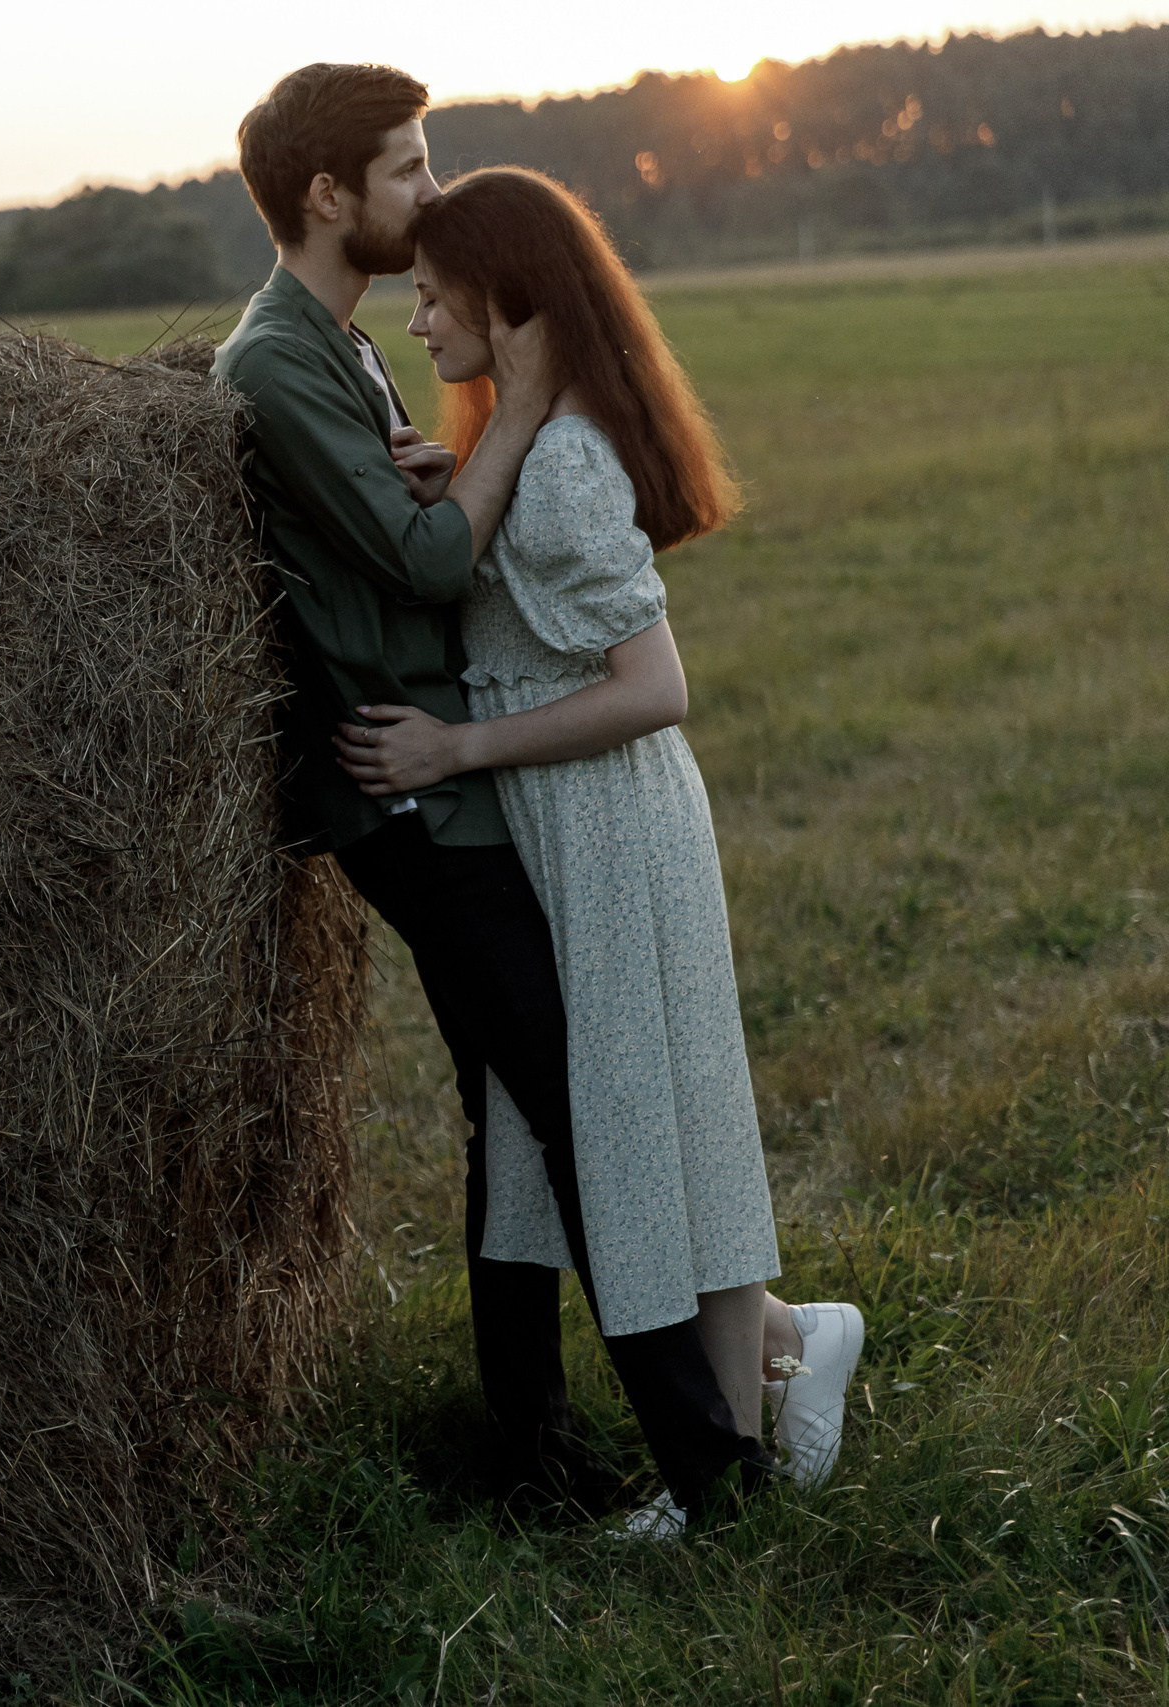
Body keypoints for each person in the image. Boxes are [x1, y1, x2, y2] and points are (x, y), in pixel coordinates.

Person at [211, 63, 852, 1531]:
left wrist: (457, 462)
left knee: (536, 1112)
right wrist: (514, 414)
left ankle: (573, 1445)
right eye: (407, 168)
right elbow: (428, 567)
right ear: (328, 194)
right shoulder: (280, 362)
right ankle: (701, 1462)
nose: (431, 192)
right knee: (572, 1108)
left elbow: (442, 557)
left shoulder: (340, 346)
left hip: (475, 783)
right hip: (412, 792)